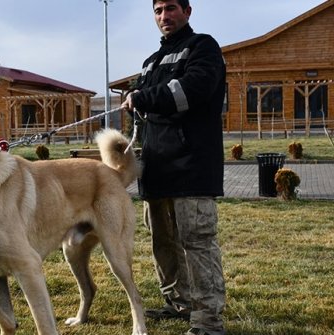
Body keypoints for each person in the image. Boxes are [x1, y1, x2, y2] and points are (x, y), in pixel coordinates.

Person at [120, 0, 226, 334]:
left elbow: (191, 91)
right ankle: (178, 303)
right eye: (158, 10)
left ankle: (207, 320)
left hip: (192, 168)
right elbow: (148, 103)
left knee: (197, 243)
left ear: (187, 11)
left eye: (171, 8)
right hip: (157, 170)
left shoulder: (203, 47)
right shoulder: (151, 62)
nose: (164, 16)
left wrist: (144, 97)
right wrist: (136, 104)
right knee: (163, 243)